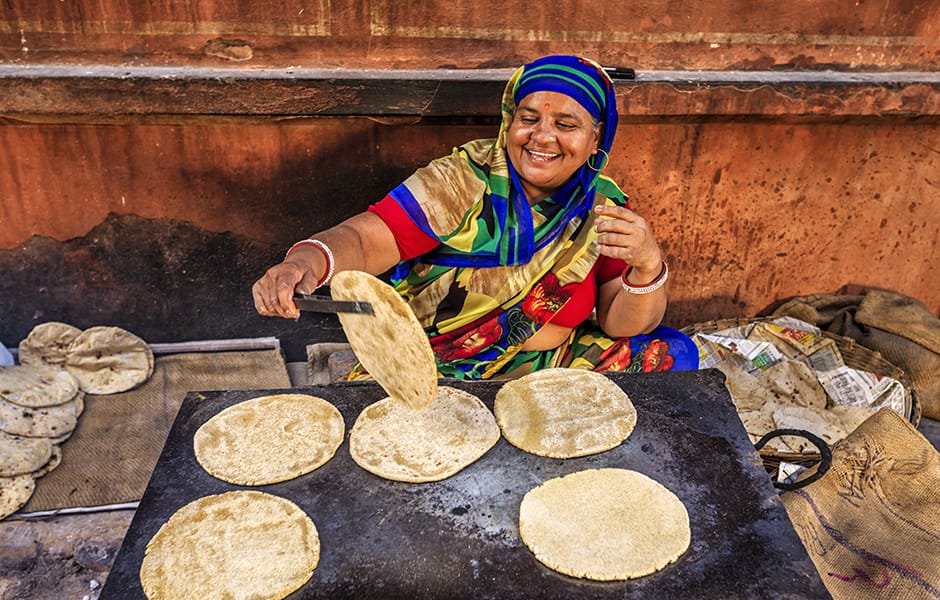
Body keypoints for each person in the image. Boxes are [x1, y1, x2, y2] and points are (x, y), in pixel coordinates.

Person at [253, 55, 698, 379]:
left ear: (595, 136)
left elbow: (620, 322)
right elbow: (367, 239)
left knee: (673, 354)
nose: (543, 137)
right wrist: (304, 264)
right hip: (444, 361)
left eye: (566, 124)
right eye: (529, 118)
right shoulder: (461, 180)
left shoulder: (604, 206)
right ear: (509, 121)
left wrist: (647, 265)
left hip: (547, 364)